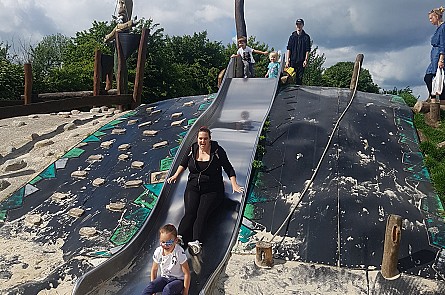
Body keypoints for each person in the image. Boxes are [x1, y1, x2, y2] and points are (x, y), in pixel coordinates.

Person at [167, 126, 244, 255]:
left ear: (210, 139)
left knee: (201, 213)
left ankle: (196, 241)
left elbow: (228, 168)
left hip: (212, 189)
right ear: (197, 139)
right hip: (193, 187)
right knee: (190, 212)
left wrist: (234, 184)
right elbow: (184, 163)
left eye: (205, 139)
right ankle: (180, 238)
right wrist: (175, 175)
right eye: (200, 139)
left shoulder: (217, 151)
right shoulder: (193, 149)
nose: (202, 142)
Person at [141, 224, 190, 295]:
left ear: (175, 240)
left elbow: (186, 273)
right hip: (164, 278)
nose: (165, 245)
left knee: (168, 289)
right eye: (163, 242)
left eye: (169, 242)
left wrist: (185, 292)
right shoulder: (158, 251)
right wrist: (153, 290)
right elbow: (154, 270)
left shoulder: (179, 252)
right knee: (149, 288)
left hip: (178, 280)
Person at [424, 6, 445, 102]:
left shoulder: (443, 28)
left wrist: (441, 59)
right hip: (434, 58)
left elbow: (443, 44)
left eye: (431, 18)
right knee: (429, 77)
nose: (430, 20)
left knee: (438, 78)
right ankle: (433, 98)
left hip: (438, 57)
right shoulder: (438, 28)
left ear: (437, 16)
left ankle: (439, 100)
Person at [286, 18, 311, 85]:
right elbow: (289, 48)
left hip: (301, 60)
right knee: (290, 77)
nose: (298, 26)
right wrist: (287, 60)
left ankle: (298, 93)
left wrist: (306, 60)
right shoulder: (292, 37)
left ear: (303, 25)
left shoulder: (306, 37)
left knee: (299, 79)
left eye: (300, 24)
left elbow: (307, 50)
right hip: (293, 60)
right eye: (297, 24)